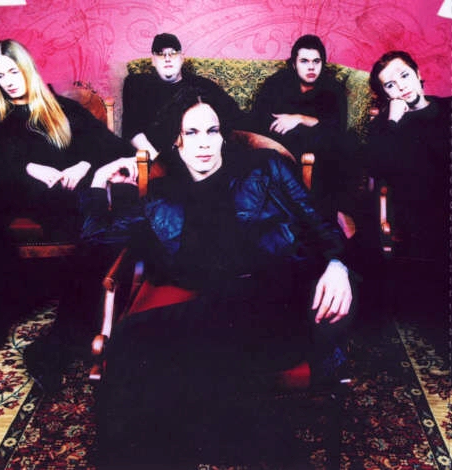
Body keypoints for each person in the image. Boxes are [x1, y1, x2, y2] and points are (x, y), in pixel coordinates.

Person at [82, 88, 355, 464]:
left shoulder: (265, 168)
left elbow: (321, 222)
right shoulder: (162, 198)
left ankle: (264, 452)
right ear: (177, 142)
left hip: (278, 298)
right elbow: (97, 237)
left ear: (223, 135)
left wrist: (337, 265)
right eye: (192, 133)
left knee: (167, 356)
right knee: (132, 339)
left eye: (212, 131)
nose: (204, 143)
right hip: (220, 310)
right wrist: (99, 180)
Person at [0, 39, 135, 386]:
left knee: (103, 230)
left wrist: (83, 164)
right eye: (0, 76)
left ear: (28, 69)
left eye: (13, 71)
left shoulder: (60, 108)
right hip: (4, 199)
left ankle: (57, 346)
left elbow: (112, 147)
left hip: (58, 201)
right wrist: (27, 168)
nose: (9, 81)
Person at [366, 50, 452, 385]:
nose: (400, 86)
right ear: (385, 94)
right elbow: (379, 168)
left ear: (418, 73)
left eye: (404, 75)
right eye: (390, 85)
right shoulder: (387, 127)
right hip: (427, 216)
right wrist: (394, 120)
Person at [251, 34, 357, 227]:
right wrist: (310, 125)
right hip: (283, 143)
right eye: (304, 61)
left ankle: (330, 216)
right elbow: (261, 119)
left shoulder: (332, 89)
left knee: (343, 142)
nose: (311, 67)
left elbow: (337, 127)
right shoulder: (277, 84)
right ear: (294, 64)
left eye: (316, 61)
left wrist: (299, 119)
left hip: (322, 147)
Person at [121, 32, 244, 161]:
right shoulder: (138, 85)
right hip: (156, 159)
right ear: (153, 60)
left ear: (182, 58)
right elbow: (131, 130)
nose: (167, 58)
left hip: (199, 158)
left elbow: (235, 117)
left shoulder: (202, 85)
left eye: (173, 53)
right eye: (161, 54)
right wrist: (158, 163)